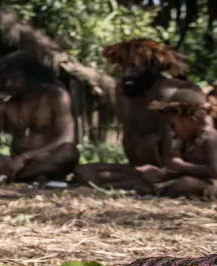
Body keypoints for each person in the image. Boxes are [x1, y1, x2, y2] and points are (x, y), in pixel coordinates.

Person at [74, 39, 203, 191]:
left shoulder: (181, 94)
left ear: (152, 67)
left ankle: (154, 185)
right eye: (124, 67)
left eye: (133, 67)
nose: (127, 73)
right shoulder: (123, 93)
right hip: (137, 170)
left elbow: (203, 146)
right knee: (84, 172)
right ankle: (141, 184)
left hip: (173, 172)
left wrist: (170, 170)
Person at [0, 52, 78, 183]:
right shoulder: (6, 101)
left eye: (14, 79)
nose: (8, 84)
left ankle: (8, 177)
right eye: (6, 79)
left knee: (69, 152)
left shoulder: (57, 96)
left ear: (31, 77)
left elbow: (67, 138)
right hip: (12, 163)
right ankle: (25, 176)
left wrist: (26, 157)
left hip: (46, 160)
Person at [127, 99, 217, 199]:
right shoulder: (188, 140)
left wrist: (183, 166)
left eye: (174, 126)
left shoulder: (211, 138)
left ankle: (157, 191)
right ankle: (155, 189)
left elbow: (214, 171)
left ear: (190, 121)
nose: (172, 132)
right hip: (189, 178)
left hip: (210, 184)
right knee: (150, 176)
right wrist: (160, 171)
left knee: (186, 183)